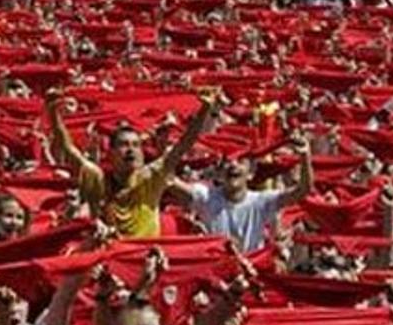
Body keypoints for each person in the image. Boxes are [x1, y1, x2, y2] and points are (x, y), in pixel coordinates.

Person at [48, 91, 217, 239]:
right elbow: (68, 149)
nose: (131, 150)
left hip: (142, 258)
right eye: (124, 145)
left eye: (136, 145)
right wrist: (53, 113)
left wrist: (204, 110)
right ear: (111, 152)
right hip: (111, 259)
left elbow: (183, 145)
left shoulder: (152, 177)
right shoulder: (97, 180)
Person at [172, 133, 313, 252]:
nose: (233, 164)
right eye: (228, 161)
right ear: (220, 172)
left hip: (250, 271)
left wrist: (305, 155)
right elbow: (168, 181)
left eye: (240, 161)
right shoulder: (206, 196)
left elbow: (302, 190)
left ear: (251, 172)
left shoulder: (261, 201)